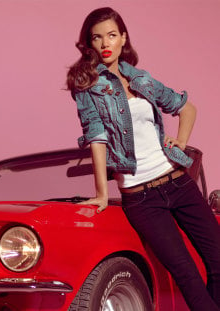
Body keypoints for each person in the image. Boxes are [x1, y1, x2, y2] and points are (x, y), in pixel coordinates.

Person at [66, 7, 220, 311]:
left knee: (218, 261)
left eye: (111, 35)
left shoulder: (141, 78)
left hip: (178, 182)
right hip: (142, 198)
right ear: (89, 44)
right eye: (97, 38)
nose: (105, 43)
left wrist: (181, 142)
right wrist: (101, 193)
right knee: (186, 273)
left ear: (123, 38)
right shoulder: (88, 86)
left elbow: (186, 108)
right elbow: (97, 138)